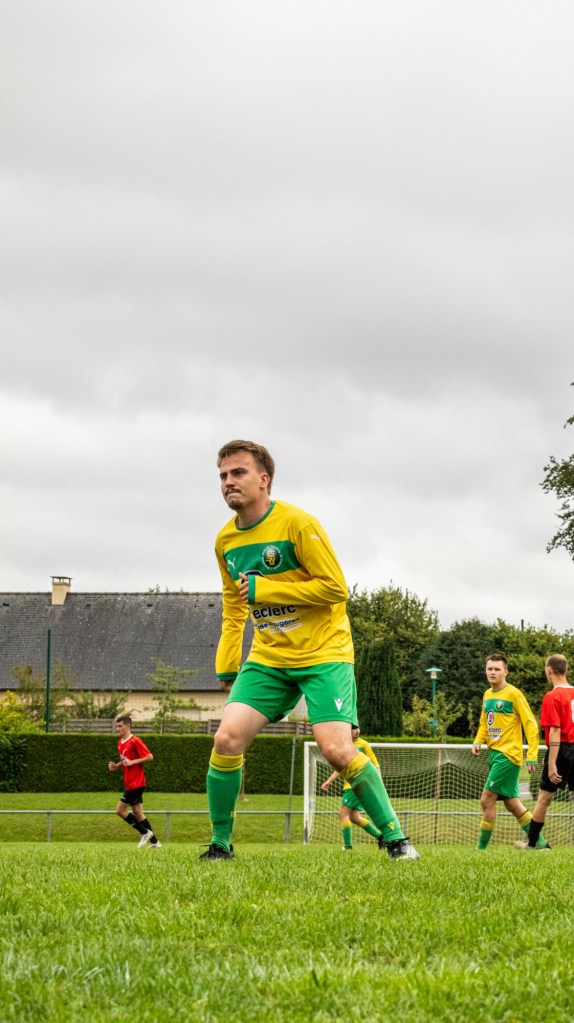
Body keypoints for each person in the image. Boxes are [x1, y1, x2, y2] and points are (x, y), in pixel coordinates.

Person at [201, 439, 418, 861]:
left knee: (336, 750)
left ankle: (396, 840)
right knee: (226, 739)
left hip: (324, 654)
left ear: (264, 479)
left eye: (238, 472)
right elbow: (233, 606)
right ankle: (220, 845)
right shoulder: (225, 540)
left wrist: (267, 589)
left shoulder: (298, 523)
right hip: (268, 658)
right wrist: (227, 664)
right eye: (223, 475)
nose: (228, 482)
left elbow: (335, 588)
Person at [472, 653, 548, 850]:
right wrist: (478, 740)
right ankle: (540, 843)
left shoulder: (514, 693)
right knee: (512, 803)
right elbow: (484, 722)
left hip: (508, 755)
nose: (492, 672)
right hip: (494, 754)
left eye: (497, 669)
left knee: (486, 799)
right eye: (489, 668)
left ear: (506, 671)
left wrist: (532, 755)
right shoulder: (487, 695)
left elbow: (530, 724)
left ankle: (480, 850)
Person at [518, 654, 574, 850]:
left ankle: (533, 844)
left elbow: (555, 731)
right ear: (565, 670)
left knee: (544, 798)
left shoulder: (552, 696)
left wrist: (551, 762)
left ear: (549, 670)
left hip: (563, 750)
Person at [321, 725, 385, 850]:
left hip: (355, 785)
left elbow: (375, 764)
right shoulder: (345, 747)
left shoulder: (364, 745)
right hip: (350, 785)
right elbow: (341, 767)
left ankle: (348, 847)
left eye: (358, 728)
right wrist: (329, 781)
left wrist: (378, 783)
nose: (357, 731)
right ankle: (381, 837)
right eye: (354, 728)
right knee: (354, 817)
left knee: (343, 814)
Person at [108, 714, 161, 848]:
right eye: (117, 726)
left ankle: (144, 832)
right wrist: (116, 766)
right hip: (129, 782)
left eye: (120, 726)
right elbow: (125, 760)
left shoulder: (135, 740)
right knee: (137, 812)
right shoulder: (120, 742)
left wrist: (132, 762)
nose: (117, 729)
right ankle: (155, 842)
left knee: (120, 810)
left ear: (128, 726)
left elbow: (149, 757)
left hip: (137, 783)